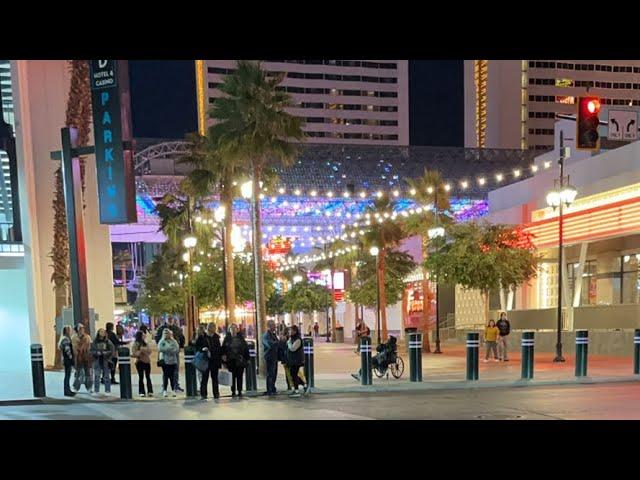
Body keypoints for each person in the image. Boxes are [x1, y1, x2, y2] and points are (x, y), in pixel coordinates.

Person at [155, 316, 185, 392]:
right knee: (165, 371)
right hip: (164, 354)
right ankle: (164, 387)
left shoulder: (177, 329)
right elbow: (157, 339)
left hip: (174, 353)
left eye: (171, 319)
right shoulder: (161, 328)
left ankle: (175, 385)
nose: (170, 320)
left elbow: (181, 338)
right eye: (169, 319)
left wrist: (180, 346)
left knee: (175, 369)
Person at [195, 322, 222, 400]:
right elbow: (197, 347)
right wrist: (203, 349)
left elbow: (218, 349)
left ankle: (216, 393)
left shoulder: (216, 337)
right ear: (208, 328)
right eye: (211, 327)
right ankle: (203, 393)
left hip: (214, 360)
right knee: (204, 378)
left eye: (214, 327)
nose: (213, 328)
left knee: (215, 378)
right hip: (205, 360)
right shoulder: (202, 337)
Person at [222, 324, 250, 398]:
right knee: (232, 376)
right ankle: (233, 391)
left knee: (239, 376)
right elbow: (223, 349)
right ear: (229, 329)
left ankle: (240, 390)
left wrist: (247, 358)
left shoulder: (241, 338)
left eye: (235, 328)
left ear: (237, 329)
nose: (234, 329)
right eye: (232, 328)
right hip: (231, 360)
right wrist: (224, 360)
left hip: (239, 360)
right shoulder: (227, 339)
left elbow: (245, 348)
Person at [91, 328, 116, 395]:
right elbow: (91, 350)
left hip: (106, 360)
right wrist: (96, 353)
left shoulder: (108, 341)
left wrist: (106, 353)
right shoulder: (95, 341)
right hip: (97, 359)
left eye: (103, 332)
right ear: (98, 333)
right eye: (101, 331)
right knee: (97, 375)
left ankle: (107, 390)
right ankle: (96, 390)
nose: (102, 333)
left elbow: (112, 350)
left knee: (107, 376)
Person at [287, 325, 309, 396]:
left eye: (292, 330)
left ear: (295, 331)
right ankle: (304, 385)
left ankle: (297, 390)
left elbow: (293, 348)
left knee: (294, 374)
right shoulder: (292, 338)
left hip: (297, 360)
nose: (290, 332)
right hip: (293, 360)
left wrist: (289, 343)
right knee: (293, 374)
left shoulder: (298, 339)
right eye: (290, 330)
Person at [157, 329, 180, 397]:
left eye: (167, 333)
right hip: (165, 361)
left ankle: (173, 390)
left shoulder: (174, 341)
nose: (166, 334)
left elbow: (176, 349)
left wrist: (167, 349)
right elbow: (160, 348)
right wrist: (169, 348)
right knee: (165, 376)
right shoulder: (162, 341)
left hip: (173, 361)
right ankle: (165, 390)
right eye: (165, 333)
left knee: (172, 376)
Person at [131, 330, 153, 397]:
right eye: (143, 335)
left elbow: (149, 351)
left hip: (147, 362)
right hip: (139, 362)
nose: (145, 336)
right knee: (141, 377)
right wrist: (141, 351)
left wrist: (143, 349)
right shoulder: (135, 344)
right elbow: (134, 353)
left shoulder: (146, 343)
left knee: (148, 376)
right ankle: (141, 391)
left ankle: (150, 391)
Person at [71, 324, 93, 393]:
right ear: (77, 329)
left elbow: (90, 346)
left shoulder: (87, 337)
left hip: (86, 356)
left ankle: (89, 387)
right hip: (77, 357)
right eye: (80, 328)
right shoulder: (74, 337)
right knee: (78, 373)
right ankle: (76, 387)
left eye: (83, 328)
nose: (82, 329)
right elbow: (73, 347)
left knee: (88, 373)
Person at [262, 319, 280, 396]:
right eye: (273, 325)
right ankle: (269, 389)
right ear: (269, 326)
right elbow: (269, 345)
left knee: (274, 373)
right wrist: (277, 343)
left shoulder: (273, 334)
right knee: (270, 373)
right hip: (269, 357)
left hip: (274, 357)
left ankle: (273, 388)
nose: (275, 326)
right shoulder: (266, 335)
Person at [58, 325, 76, 397]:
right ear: (67, 331)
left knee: (67, 375)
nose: (70, 331)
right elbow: (67, 350)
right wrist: (71, 358)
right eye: (69, 330)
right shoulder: (66, 339)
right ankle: (67, 391)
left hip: (66, 359)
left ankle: (67, 390)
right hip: (67, 360)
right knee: (67, 375)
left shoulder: (63, 339)